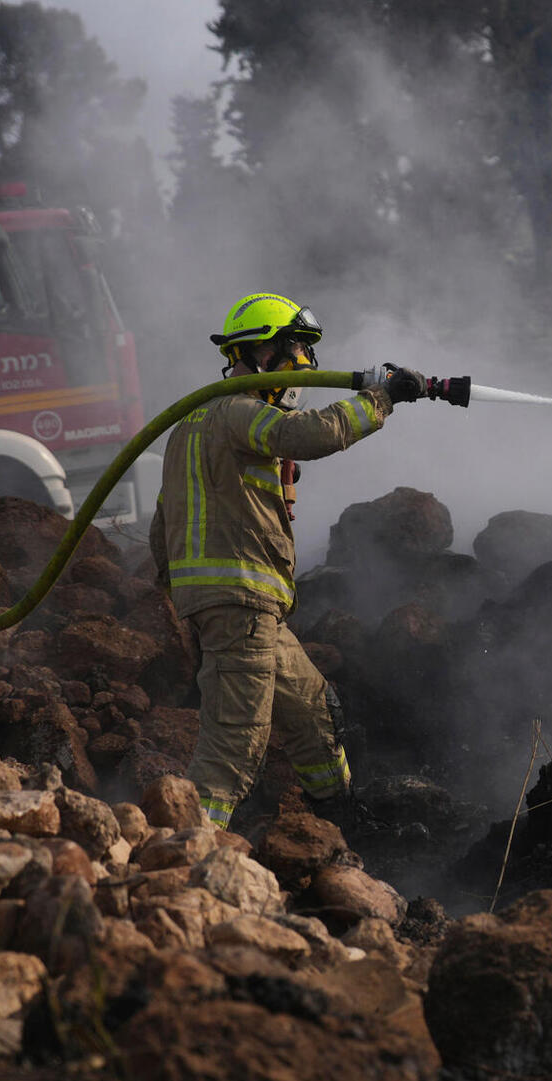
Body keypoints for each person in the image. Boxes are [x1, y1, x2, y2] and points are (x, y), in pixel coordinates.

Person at [148, 292, 424, 830]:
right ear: (260, 352)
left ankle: (342, 825)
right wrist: (381, 399)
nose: (305, 363)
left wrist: (185, 596)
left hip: (248, 610)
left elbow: (164, 525)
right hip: (239, 605)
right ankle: (182, 855)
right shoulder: (239, 411)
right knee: (233, 747)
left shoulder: (190, 426)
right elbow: (307, 433)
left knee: (314, 712)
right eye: (297, 347)